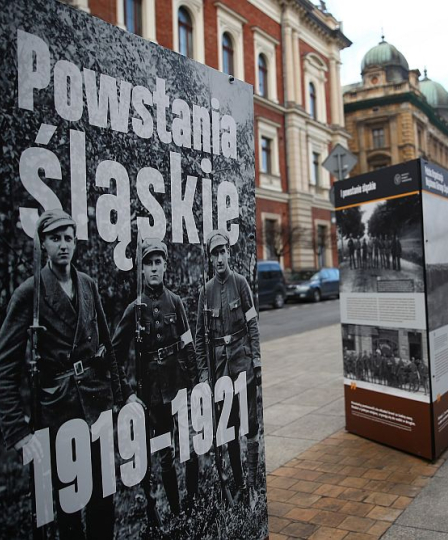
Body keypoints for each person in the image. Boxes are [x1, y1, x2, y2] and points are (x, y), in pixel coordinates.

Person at [0, 209, 135, 539]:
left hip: (96, 400)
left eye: (69, 238)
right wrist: (17, 431)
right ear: (43, 243)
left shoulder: (87, 284)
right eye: (55, 238)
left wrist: (121, 398)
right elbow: (5, 368)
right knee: (69, 501)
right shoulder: (29, 293)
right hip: (59, 409)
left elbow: (107, 346)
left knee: (103, 495)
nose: (63, 245)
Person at [111, 238, 200, 515]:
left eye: (157, 262)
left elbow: (188, 345)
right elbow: (114, 353)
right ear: (141, 269)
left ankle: (193, 502)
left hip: (180, 385)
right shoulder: (134, 309)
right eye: (148, 263)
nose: (153, 269)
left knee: (191, 446)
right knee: (165, 454)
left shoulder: (175, 302)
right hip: (153, 394)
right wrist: (127, 392)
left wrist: (196, 382)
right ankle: (175, 511)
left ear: (165, 266)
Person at [195, 230, 262, 499]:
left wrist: (256, 361)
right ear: (210, 258)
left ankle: (254, 483)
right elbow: (200, 336)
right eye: (215, 253)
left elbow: (253, 324)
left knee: (251, 424)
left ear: (229, 253)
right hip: (220, 368)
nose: (220, 257)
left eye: (223, 252)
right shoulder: (205, 292)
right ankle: (239, 483)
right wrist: (203, 373)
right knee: (230, 425)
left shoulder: (241, 283)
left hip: (242, 362)